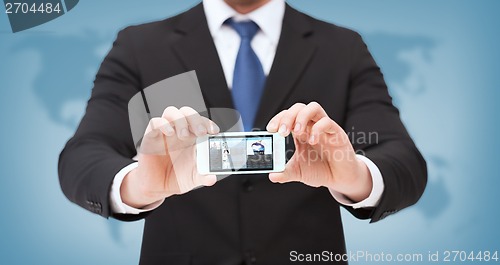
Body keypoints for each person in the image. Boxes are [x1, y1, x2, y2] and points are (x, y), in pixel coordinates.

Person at [58, 0, 427, 264]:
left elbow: (403, 159)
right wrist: (141, 185)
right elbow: (83, 155)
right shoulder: (139, 46)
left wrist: (355, 175)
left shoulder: (342, 48)